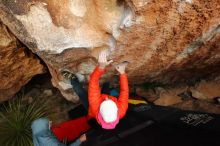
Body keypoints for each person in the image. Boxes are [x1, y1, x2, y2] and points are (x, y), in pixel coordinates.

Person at [62, 50, 129, 129]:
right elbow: (125, 91)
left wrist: (100, 67)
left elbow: (93, 83)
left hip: (92, 108)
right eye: (110, 102)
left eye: (105, 102)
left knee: (80, 92)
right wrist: (122, 73)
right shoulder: (122, 110)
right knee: (106, 87)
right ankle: (108, 81)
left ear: (100, 111)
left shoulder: (95, 106)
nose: (107, 99)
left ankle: (73, 79)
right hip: (100, 101)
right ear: (117, 109)